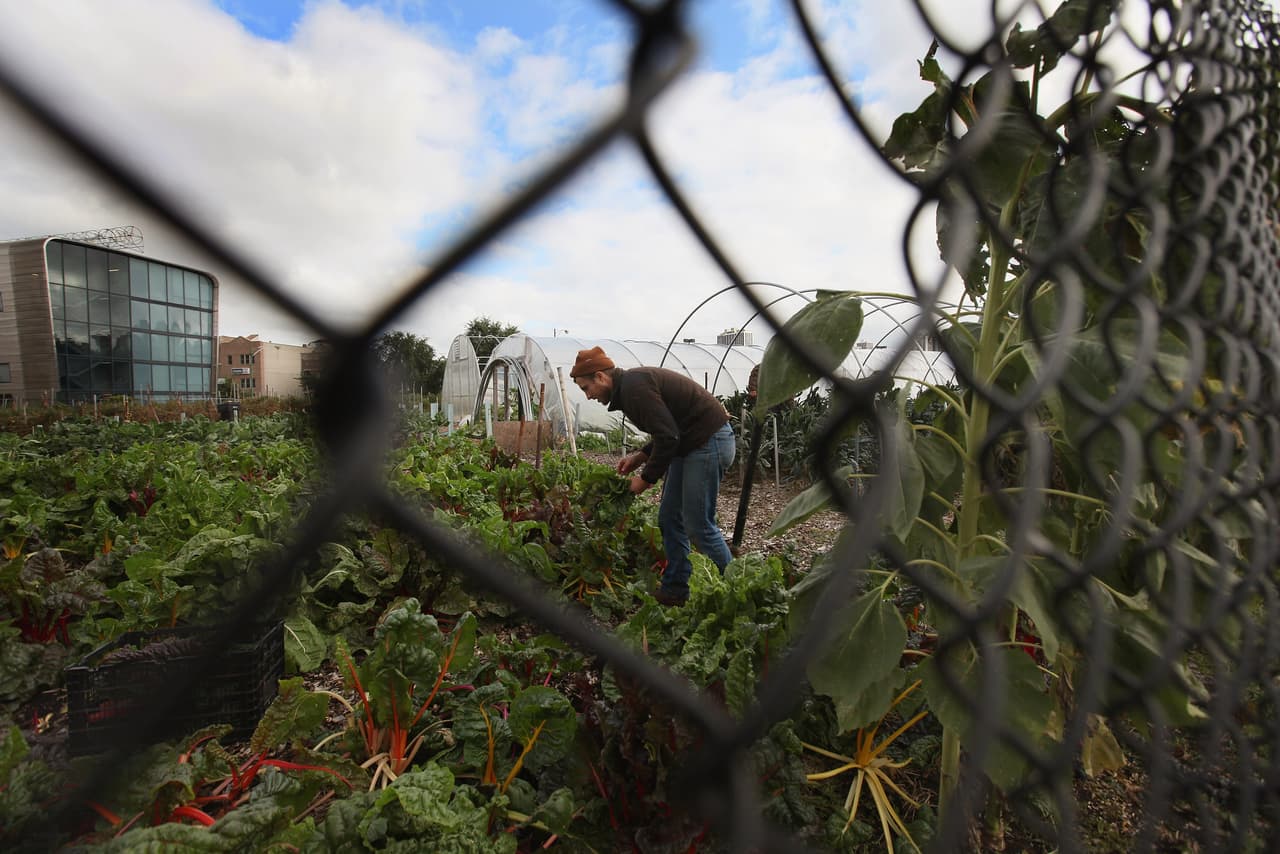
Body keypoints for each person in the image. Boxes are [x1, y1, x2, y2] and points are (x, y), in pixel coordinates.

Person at [570, 346, 736, 606]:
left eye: (585, 388)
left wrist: (646, 479)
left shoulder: (634, 388)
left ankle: (737, 590)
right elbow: (669, 430)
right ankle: (676, 589)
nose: (588, 396)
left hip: (708, 442)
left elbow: (669, 436)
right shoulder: (630, 389)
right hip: (691, 445)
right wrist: (640, 457)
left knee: (698, 525)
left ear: (601, 377)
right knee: (669, 517)